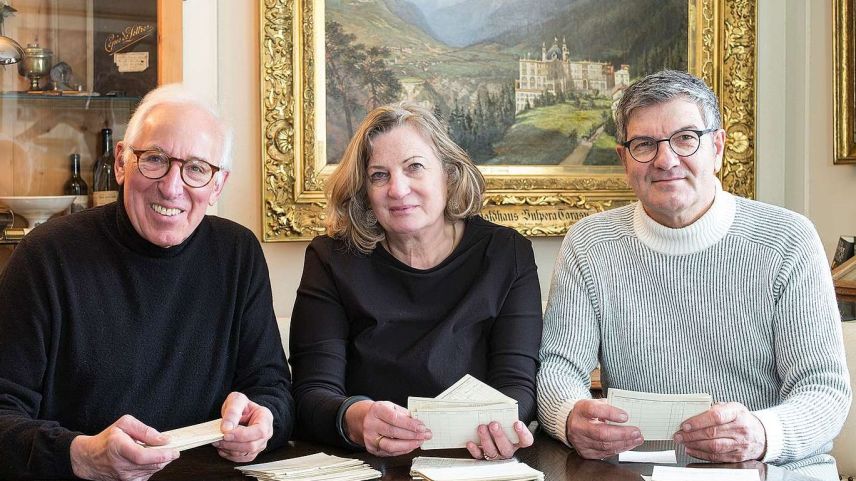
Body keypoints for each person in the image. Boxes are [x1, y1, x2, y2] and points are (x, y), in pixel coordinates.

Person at [537, 70, 851, 480]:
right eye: (645, 144)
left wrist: (761, 433)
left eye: (686, 138)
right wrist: (567, 416)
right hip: (640, 471)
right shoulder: (590, 243)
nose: (666, 160)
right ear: (624, 159)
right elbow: (559, 367)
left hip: (773, 468)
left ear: (717, 147)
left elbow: (824, 389)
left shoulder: (788, 240)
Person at [0, 84, 294, 480]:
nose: (172, 187)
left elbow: (272, 387)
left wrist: (264, 423)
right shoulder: (46, 256)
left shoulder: (237, 253)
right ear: (121, 162)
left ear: (217, 185)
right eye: (154, 159)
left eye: (196, 169)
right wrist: (80, 455)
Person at [289, 102, 542, 460]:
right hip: (367, 463)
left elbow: (517, 383)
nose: (397, 189)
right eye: (379, 175)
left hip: (472, 461)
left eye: (414, 168)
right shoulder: (332, 259)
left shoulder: (505, 254)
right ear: (363, 190)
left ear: (449, 175)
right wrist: (354, 419)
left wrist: (503, 428)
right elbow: (312, 390)